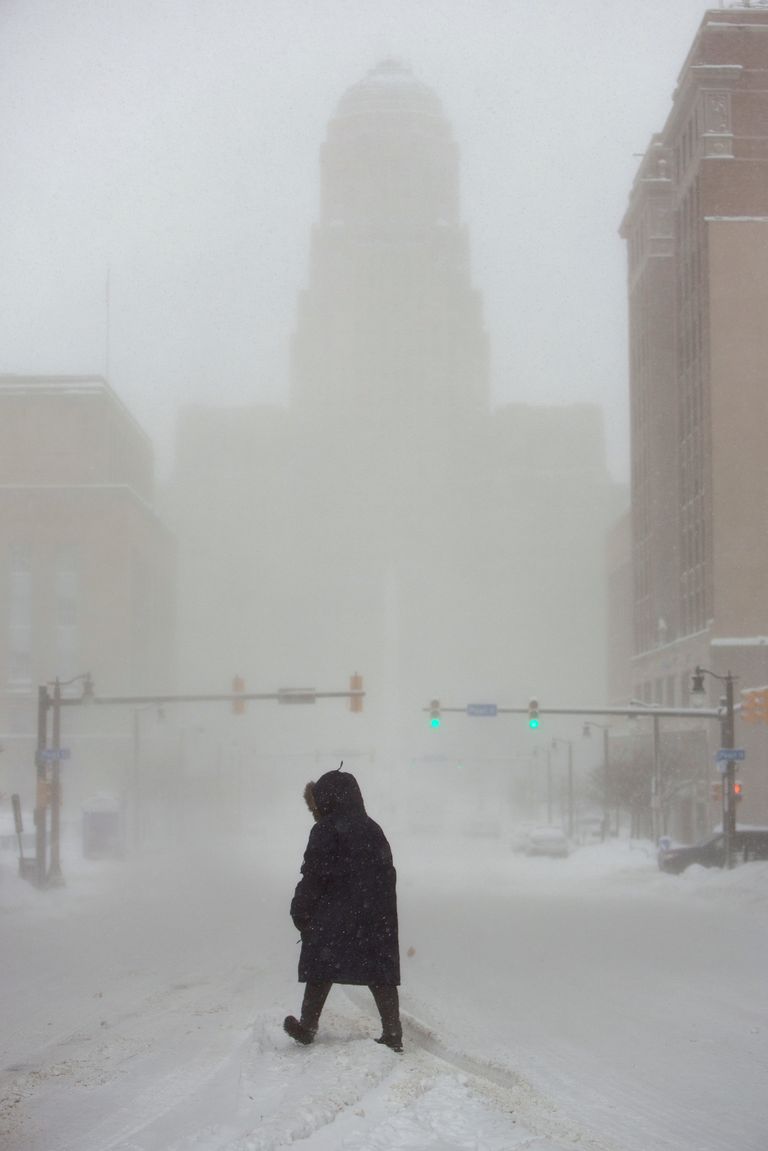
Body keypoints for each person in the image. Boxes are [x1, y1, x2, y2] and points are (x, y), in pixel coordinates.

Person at [283, 766, 402, 1051]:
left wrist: (301, 908)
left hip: (333, 914)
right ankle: (393, 1033)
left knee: (321, 966)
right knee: (379, 971)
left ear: (327, 799)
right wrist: (380, 909)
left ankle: (307, 1026)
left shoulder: (325, 830)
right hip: (373, 914)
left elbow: (314, 873)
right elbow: (388, 872)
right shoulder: (373, 828)